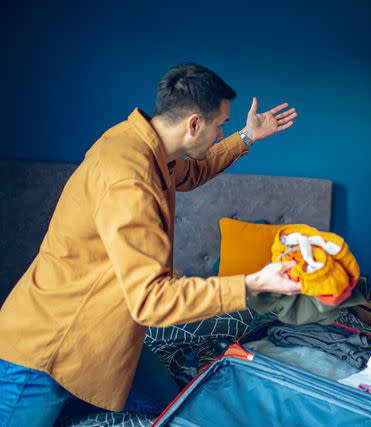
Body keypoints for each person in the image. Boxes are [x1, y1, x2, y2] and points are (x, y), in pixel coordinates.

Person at [0, 63, 301, 426]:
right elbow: (152, 302)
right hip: (47, 348)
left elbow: (192, 173)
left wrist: (246, 137)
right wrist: (252, 284)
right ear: (193, 124)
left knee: (173, 410)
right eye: (220, 124)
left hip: (109, 332)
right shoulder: (131, 182)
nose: (222, 129)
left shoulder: (142, 143)